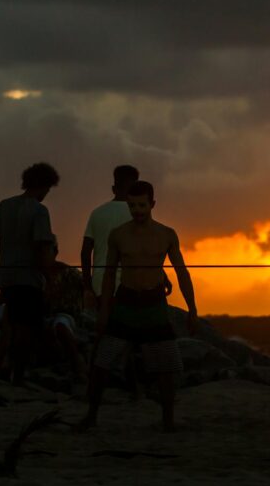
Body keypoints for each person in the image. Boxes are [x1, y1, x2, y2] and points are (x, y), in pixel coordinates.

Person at [81, 181, 197, 432]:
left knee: (166, 367)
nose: (137, 210)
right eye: (133, 206)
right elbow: (110, 275)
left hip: (153, 305)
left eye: (142, 205)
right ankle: (91, 416)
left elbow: (182, 273)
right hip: (124, 303)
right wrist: (103, 311)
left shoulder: (167, 234)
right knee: (102, 361)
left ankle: (168, 420)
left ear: (152, 204)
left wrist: (193, 309)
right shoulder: (119, 235)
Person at [0, 163, 59, 384]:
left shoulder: (4, 206)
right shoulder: (39, 211)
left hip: (6, 276)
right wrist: (50, 280)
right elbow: (42, 247)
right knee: (26, 328)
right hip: (28, 278)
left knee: (11, 322)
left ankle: (5, 366)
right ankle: (17, 375)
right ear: (43, 186)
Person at [81, 165, 140, 307]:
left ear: (114, 188)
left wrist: (87, 288)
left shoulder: (97, 213)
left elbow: (85, 252)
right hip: (131, 283)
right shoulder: (138, 214)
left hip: (100, 283)